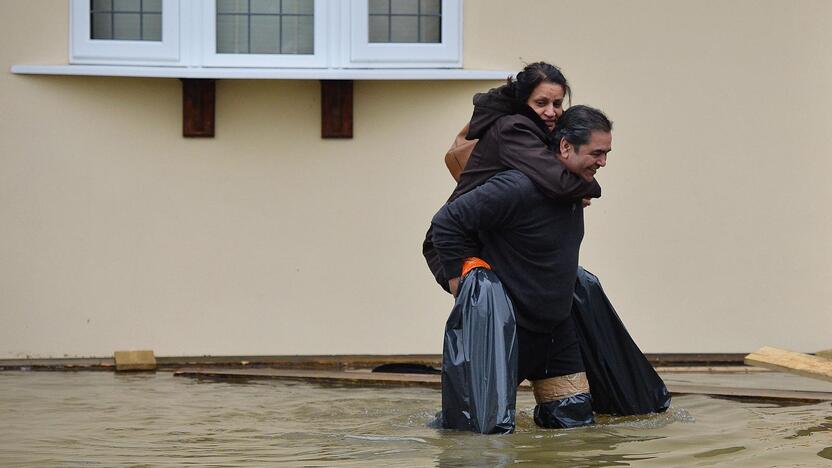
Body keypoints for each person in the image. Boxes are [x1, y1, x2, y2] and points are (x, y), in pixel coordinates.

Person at [431, 105, 613, 428]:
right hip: (507, 335)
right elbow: (446, 224)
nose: (603, 162)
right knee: (479, 433)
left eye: (607, 153)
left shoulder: (574, 189)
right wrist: (461, 283)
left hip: (557, 334)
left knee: (575, 431)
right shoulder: (517, 187)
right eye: (597, 153)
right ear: (565, 147)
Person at [423, 62, 602, 294]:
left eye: (557, 104)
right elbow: (559, 182)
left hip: (489, 241)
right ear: (523, 102)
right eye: (541, 103)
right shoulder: (514, 129)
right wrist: (588, 187)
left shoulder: (541, 130)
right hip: (459, 247)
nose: (551, 112)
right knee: (494, 324)